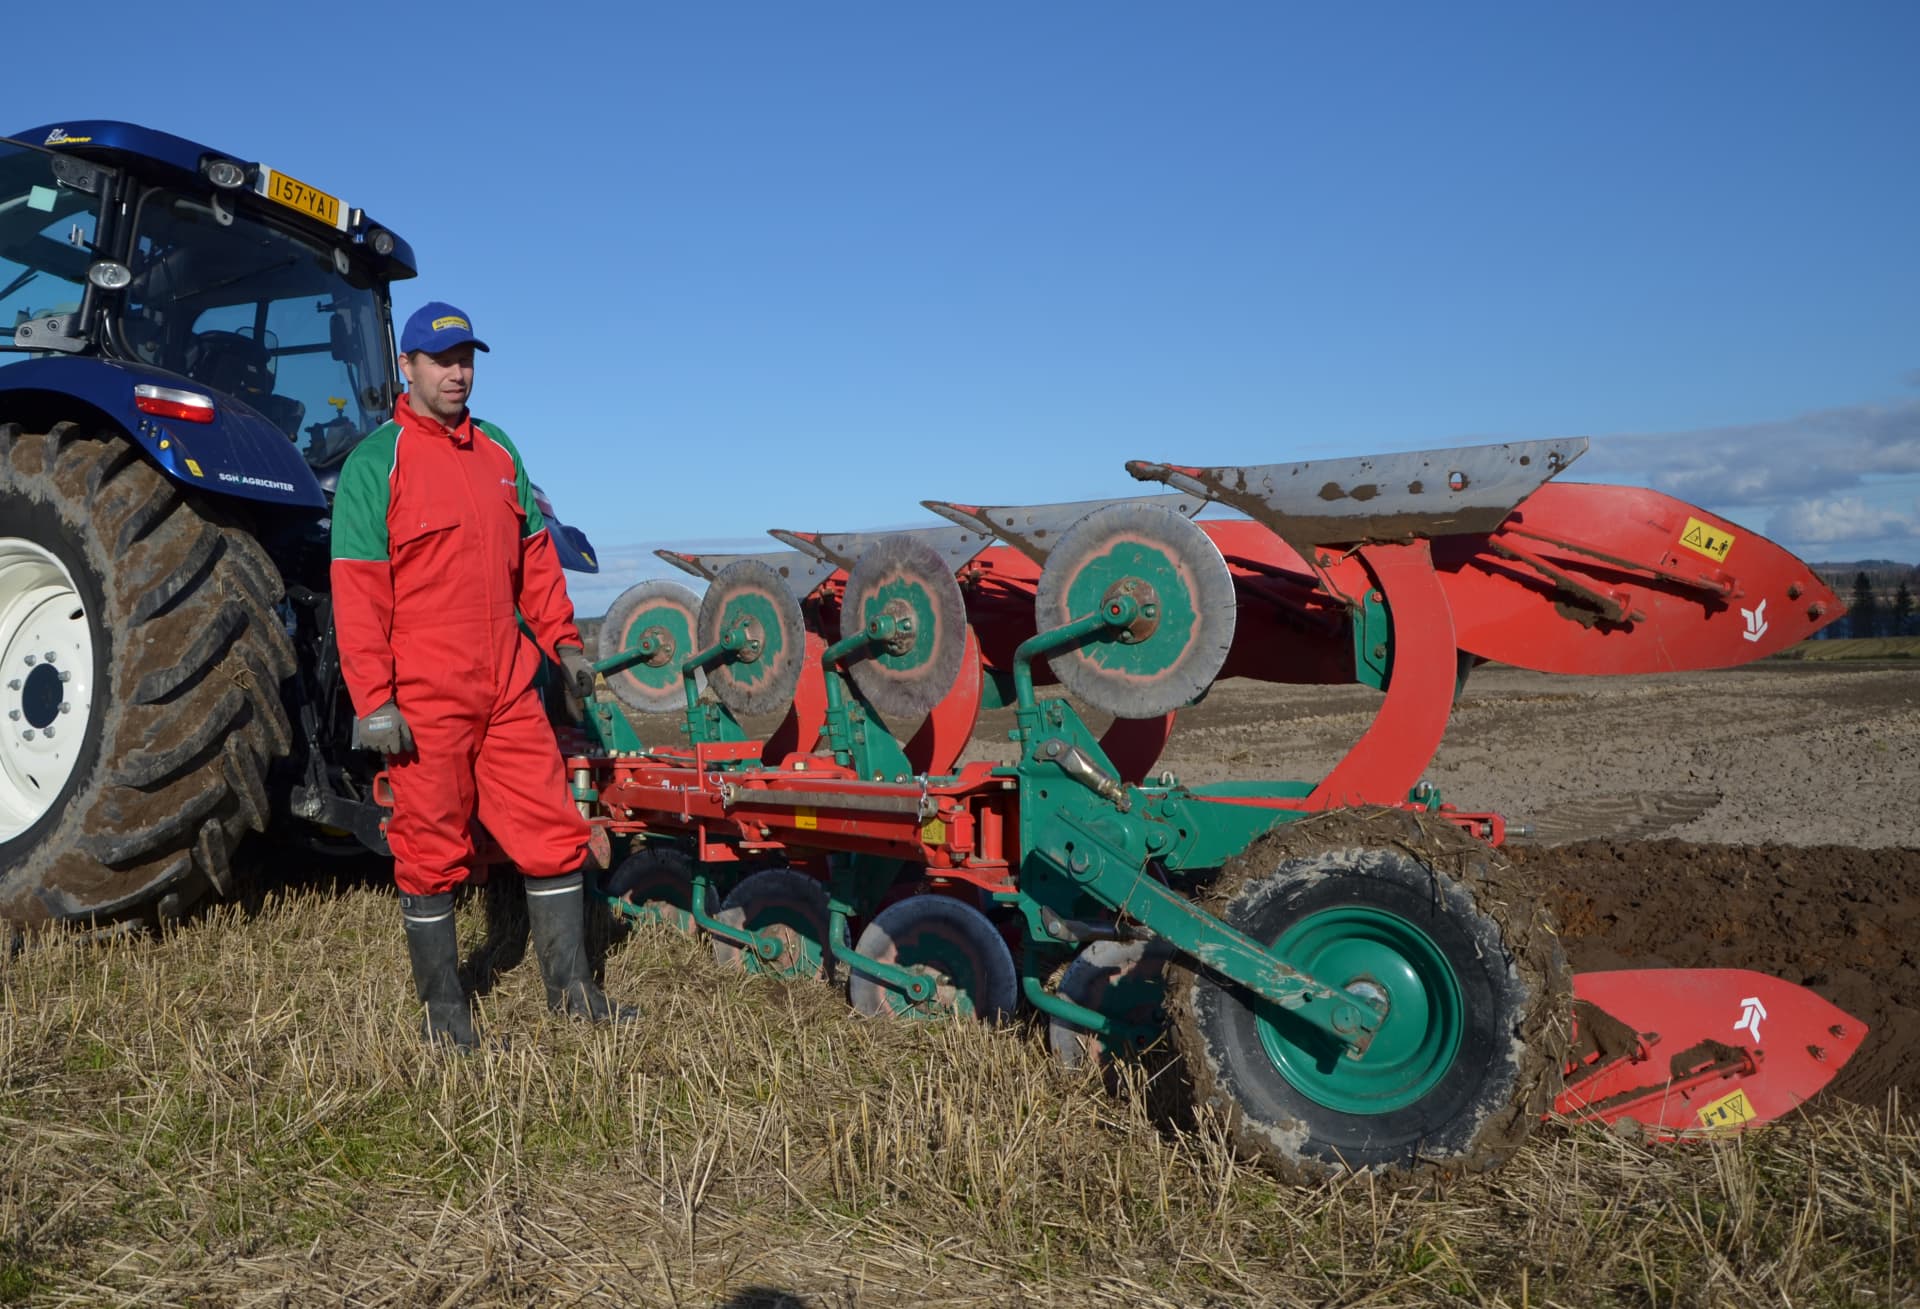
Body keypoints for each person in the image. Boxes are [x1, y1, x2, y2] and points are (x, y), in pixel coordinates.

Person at [330, 301, 628, 1050]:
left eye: (467, 358)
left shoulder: (499, 453)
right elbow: (359, 592)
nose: (458, 372)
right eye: (442, 359)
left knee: (554, 828)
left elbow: (534, 561)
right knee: (430, 845)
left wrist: (563, 644)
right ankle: (445, 1015)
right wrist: (375, 701)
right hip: (426, 693)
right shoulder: (379, 460)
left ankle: (573, 991)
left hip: (506, 684)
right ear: (408, 368)